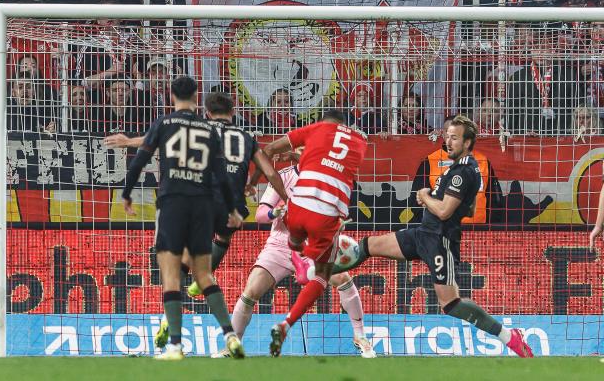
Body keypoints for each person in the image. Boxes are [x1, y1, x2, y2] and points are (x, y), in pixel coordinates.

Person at [332, 115, 534, 358]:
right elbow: (468, 208)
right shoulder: (460, 169)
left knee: (451, 304)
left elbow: (444, 210)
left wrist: (425, 196)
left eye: (454, 138)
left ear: (468, 143)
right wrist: (433, 199)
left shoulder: (463, 173)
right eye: (447, 136)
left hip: (440, 241)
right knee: (366, 246)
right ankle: (322, 272)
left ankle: (509, 337)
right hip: (422, 233)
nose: (448, 141)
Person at [120, 76, 245, 360]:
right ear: (196, 95)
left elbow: (140, 159)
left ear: (171, 95)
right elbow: (221, 174)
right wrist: (233, 209)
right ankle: (230, 335)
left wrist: (126, 193)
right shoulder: (207, 128)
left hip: (173, 202)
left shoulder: (164, 124)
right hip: (202, 205)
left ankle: (175, 346)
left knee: (172, 276)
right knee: (203, 274)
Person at [217, 160, 376, 358]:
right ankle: (233, 346)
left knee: (343, 279)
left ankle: (360, 336)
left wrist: (336, 225)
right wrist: (274, 212)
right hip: (280, 245)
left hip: (312, 246)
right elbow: (259, 215)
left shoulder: (327, 179)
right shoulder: (282, 177)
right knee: (250, 292)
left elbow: (335, 216)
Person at [249, 110, 367, 357]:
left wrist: (251, 182)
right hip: (326, 215)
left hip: (297, 208)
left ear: (322, 123)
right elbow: (331, 162)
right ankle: (288, 321)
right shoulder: (360, 141)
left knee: (297, 239)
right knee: (322, 277)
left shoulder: (315, 130)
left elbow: (267, 150)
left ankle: (299, 255)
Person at [183, 92, 289, 297]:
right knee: (223, 237)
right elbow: (270, 173)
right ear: (232, 112)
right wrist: (286, 199)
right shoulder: (246, 138)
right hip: (232, 207)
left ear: (207, 114)